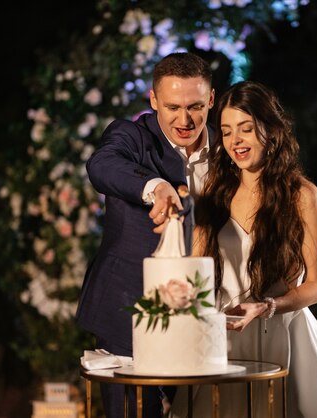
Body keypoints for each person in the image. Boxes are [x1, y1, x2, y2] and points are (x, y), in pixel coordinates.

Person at [170, 81, 317, 417]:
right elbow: (195, 275)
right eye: (228, 131)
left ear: (270, 130)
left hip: (283, 334)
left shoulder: (302, 196)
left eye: (246, 129)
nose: (235, 141)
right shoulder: (214, 196)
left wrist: (268, 307)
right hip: (225, 339)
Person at [76, 52, 215, 418]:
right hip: (131, 313)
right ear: (153, 101)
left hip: (206, 319)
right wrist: (157, 187)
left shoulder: (228, 148)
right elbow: (102, 166)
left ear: (211, 100)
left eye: (195, 107)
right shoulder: (132, 136)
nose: (184, 120)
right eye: (172, 107)